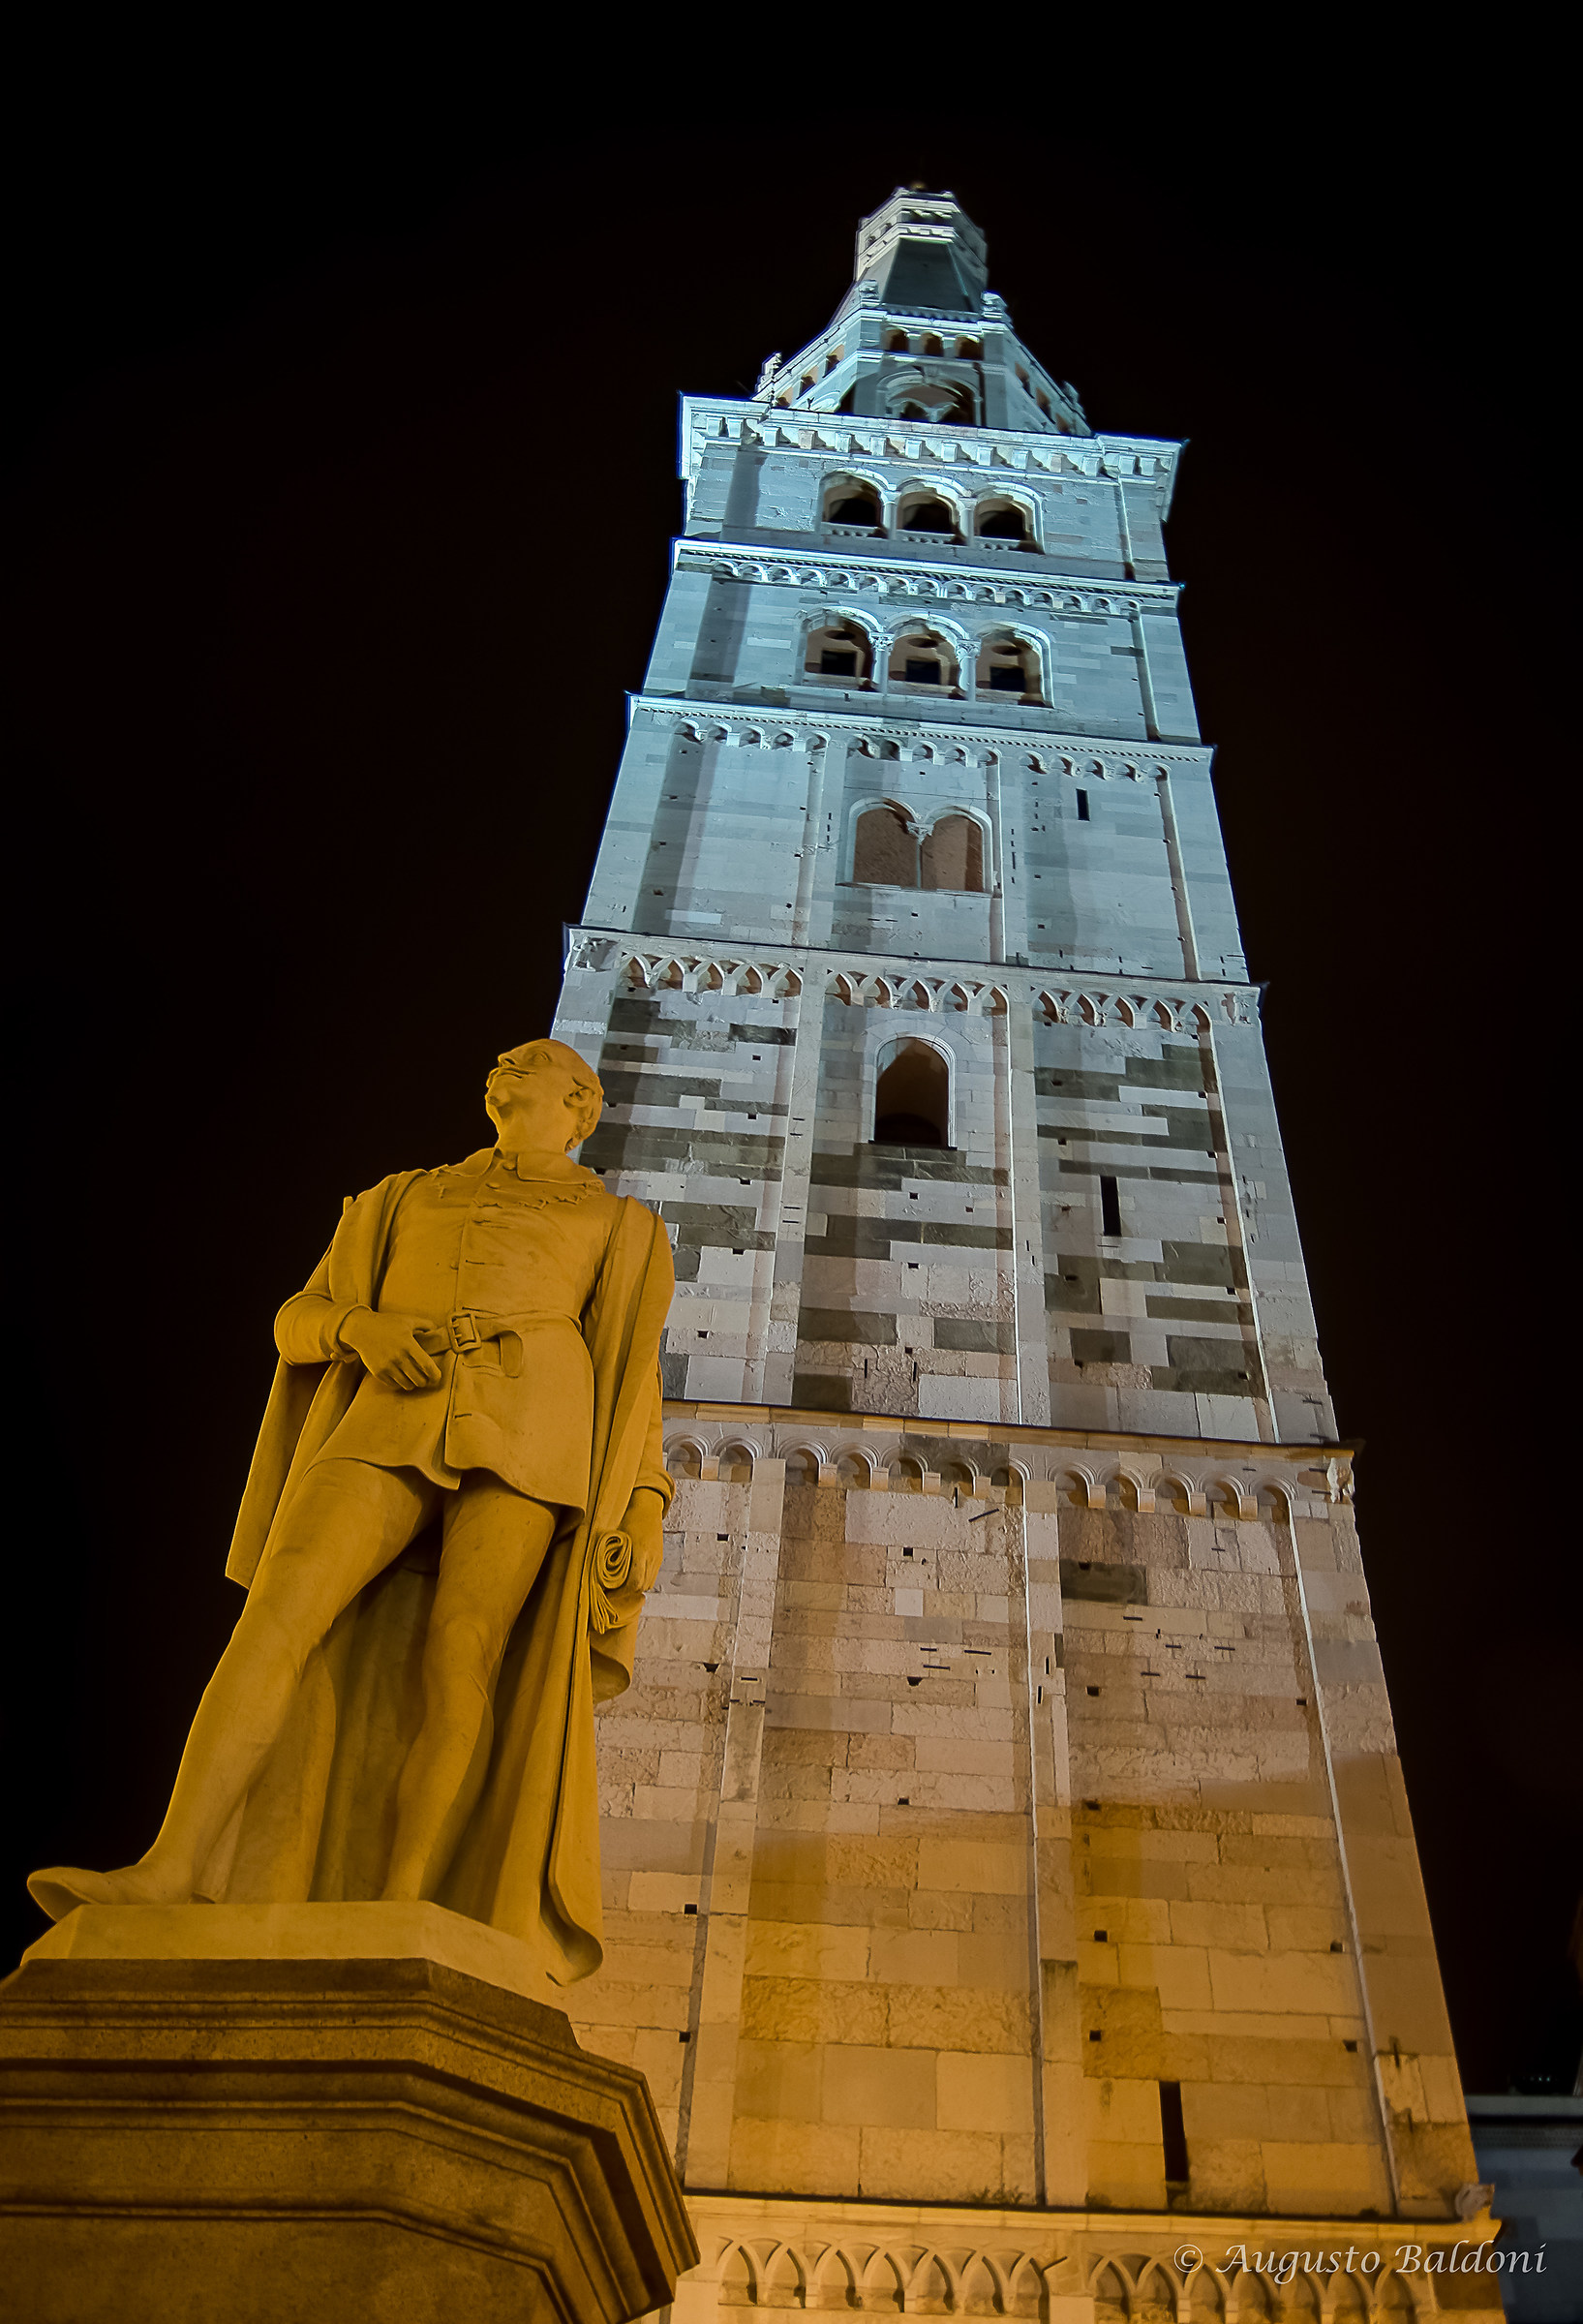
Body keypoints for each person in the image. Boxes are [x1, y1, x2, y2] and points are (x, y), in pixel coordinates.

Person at [29, 1038, 674, 1982]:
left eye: (528, 1059)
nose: (504, 1061)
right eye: (504, 1059)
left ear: (581, 1103)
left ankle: (407, 1900)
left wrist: (646, 1501)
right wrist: (357, 1327)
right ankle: (169, 1866)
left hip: (537, 1422)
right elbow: (296, 1319)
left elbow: (632, 1379)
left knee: (464, 1653)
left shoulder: (618, 1223)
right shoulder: (396, 1198)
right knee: (278, 1611)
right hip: (389, 1412)